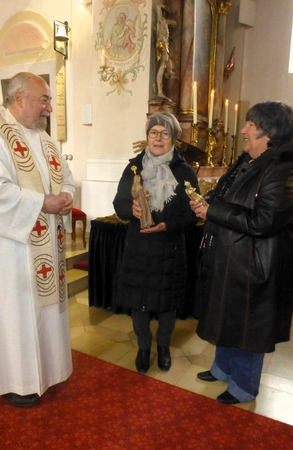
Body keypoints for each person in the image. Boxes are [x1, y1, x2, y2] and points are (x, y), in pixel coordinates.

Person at [190, 101, 293, 404]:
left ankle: (244, 385)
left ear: (268, 133)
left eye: (251, 126)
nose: (243, 130)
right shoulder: (251, 161)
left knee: (247, 326)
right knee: (226, 317)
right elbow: (230, 198)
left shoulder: (283, 171)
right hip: (234, 257)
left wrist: (212, 211)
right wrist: (207, 202)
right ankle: (222, 368)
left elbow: (264, 221)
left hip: (257, 265)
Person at [0, 72, 75, 408]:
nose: (48, 107)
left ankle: (48, 370)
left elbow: (66, 177)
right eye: (43, 98)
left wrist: (67, 196)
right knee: (17, 316)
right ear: (19, 97)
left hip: (43, 246)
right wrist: (43, 203)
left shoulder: (44, 139)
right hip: (11, 250)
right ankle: (16, 380)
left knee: (42, 314)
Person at [113, 112, 199, 373]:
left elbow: (192, 214)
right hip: (138, 246)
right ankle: (143, 347)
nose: (158, 138)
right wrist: (133, 209)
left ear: (173, 138)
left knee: (167, 302)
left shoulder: (184, 171)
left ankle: (163, 347)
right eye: (153, 132)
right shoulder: (133, 168)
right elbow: (119, 203)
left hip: (169, 247)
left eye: (164, 133)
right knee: (138, 300)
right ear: (147, 136)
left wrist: (167, 225)